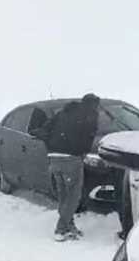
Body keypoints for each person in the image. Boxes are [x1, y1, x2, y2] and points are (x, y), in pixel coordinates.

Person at [31, 93, 100, 241]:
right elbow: (89, 138)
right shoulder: (90, 115)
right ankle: (61, 229)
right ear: (94, 105)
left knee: (64, 196)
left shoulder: (63, 113)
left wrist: (52, 146)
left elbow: (45, 129)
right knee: (74, 196)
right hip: (71, 159)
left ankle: (70, 226)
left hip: (54, 158)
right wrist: (82, 152)